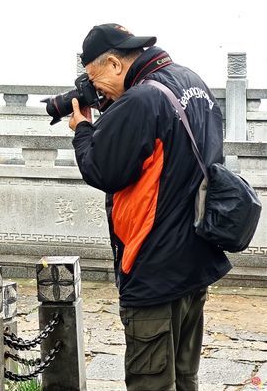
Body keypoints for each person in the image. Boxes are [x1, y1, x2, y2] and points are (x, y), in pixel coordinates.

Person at [68, 24, 231, 391]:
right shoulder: (191, 81)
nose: (97, 90)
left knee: (151, 382)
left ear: (113, 63)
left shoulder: (141, 100)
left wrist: (82, 129)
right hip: (195, 255)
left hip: (154, 263)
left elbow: (103, 170)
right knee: (184, 376)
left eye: (96, 79)